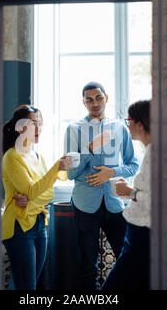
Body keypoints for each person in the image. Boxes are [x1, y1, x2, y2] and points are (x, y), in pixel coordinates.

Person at [64, 82, 139, 290]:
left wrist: (111, 173)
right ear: (83, 102)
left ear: (106, 98)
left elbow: (134, 165)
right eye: (89, 99)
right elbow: (71, 173)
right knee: (87, 264)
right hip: (84, 206)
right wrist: (89, 149)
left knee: (126, 259)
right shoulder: (73, 130)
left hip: (116, 204)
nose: (94, 103)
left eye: (98, 98)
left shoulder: (120, 128)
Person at [2, 104, 71, 290]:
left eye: (40, 123)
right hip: (19, 226)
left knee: (25, 284)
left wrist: (32, 197)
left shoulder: (38, 157)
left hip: (40, 223)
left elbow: (47, 193)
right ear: (19, 128)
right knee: (27, 287)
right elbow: (35, 190)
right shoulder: (12, 156)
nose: (38, 128)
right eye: (33, 123)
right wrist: (56, 169)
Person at [101, 100, 152, 290]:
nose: (126, 124)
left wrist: (130, 192)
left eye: (128, 120)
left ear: (140, 124)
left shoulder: (154, 155)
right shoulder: (151, 152)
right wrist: (130, 191)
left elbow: (162, 201)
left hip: (142, 232)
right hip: (139, 231)